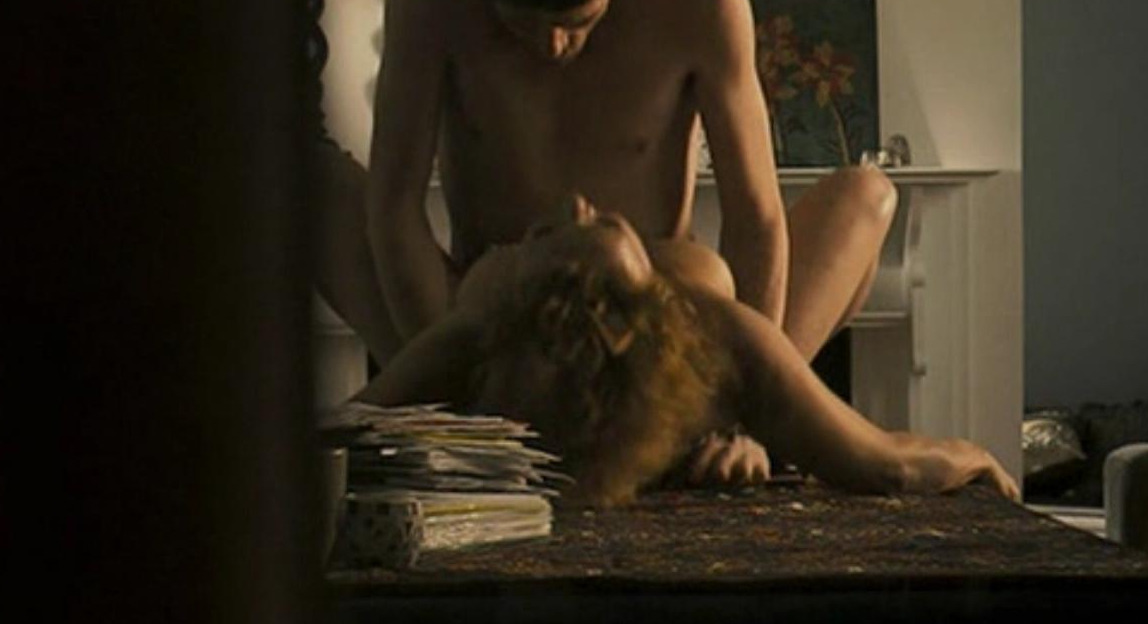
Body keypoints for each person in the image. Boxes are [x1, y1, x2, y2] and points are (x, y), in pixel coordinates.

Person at [351, 0, 895, 483]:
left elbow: (755, 213)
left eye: (578, 21)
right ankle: (465, 413)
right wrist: (448, 368)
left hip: (657, 317)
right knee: (313, 177)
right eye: (522, 27)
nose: (554, 46)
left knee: (866, 195)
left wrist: (743, 420)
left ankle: (738, 421)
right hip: (494, 312)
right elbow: (394, 207)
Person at [354, 194, 1018, 506]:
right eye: (550, 230)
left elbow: (885, 462)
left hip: (685, 414)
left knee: (865, 194)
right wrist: (976, 456)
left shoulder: (722, 332)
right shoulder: (476, 335)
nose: (579, 197)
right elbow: (342, 438)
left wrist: (976, 455)